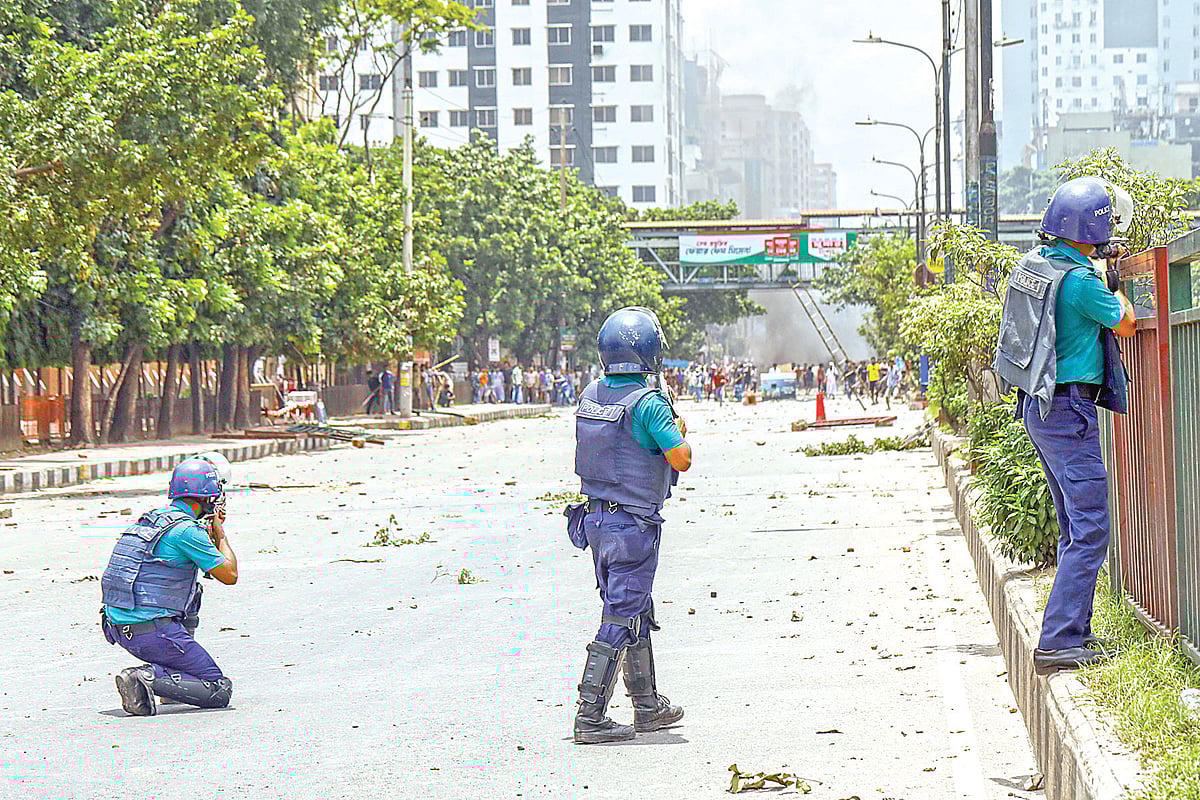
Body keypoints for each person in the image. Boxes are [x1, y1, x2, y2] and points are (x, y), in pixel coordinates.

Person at [994, 176, 1137, 676]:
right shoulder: (1080, 282)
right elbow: (1124, 322)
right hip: (1070, 411)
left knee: (1075, 526)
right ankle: (1057, 640)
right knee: (1093, 527)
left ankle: (1076, 631)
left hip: (1040, 407)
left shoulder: (1043, 266)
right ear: (1095, 230)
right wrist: (1115, 284)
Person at [570, 307, 692, 744]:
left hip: (596, 522)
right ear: (651, 353)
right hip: (633, 526)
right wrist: (679, 430)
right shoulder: (648, 402)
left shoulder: (592, 395)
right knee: (621, 615)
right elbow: (679, 458)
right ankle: (590, 716)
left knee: (636, 607)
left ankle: (646, 706)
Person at [100, 459, 238, 715]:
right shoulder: (187, 531)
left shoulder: (154, 520)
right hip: (152, 633)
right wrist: (220, 534)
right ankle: (144, 678)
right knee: (218, 688)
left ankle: (170, 680)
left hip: (119, 628)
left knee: (191, 591)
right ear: (207, 499)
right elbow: (229, 574)